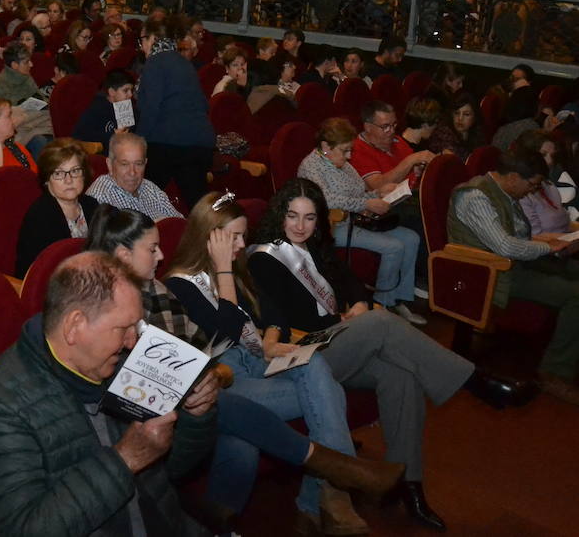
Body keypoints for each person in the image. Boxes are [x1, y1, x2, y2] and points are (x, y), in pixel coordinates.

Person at [248, 179, 516, 530]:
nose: (300, 226)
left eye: (309, 218)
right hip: (299, 355)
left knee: (399, 375)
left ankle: (409, 485)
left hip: (332, 342)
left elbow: (349, 280)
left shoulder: (315, 247)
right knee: (381, 323)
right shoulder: (265, 259)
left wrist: (358, 301)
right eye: (293, 216)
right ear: (279, 215)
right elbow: (279, 322)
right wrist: (345, 319)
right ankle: (474, 380)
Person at [156, 196, 406, 532]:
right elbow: (226, 327)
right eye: (234, 237)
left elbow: (273, 312)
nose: (243, 244)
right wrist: (225, 271)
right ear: (210, 238)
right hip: (226, 377)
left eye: (244, 236)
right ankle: (330, 494)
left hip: (255, 357)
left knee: (316, 368)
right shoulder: (179, 284)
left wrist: (271, 338)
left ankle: (329, 493)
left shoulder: (236, 269)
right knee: (326, 391)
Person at [0, 251, 219, 537]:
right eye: (122, 328)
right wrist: (125, 460)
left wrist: (196, 416)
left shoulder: (124, 363)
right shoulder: (2, 405)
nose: (132, 341)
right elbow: (24, 529)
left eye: (135, 326)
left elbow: (173, 469)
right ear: (75, 326)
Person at [448, 149, 579, 403]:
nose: (532, 191)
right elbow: (505, 246)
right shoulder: (475, 196)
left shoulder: (504, 192)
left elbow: (516, 237)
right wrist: (548, 247)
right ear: (514, 177)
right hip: (492, 272)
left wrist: (552, 242)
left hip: (517, 262)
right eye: (531, 185)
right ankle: (554, 372)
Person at [298, 118, 425, 324]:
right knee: (393, 246)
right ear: (325, 147)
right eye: (345, 151)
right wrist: (366, 203)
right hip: (331, 225)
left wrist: (378, 193)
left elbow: (360, 192)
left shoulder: (343, 164)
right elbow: (325, 199)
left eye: (350, 150)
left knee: (411, 238)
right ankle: (382, 306)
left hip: (356, 220)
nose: (349, 156)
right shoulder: (311, 166)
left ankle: (398, 299)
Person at [134, 18, 214, 209]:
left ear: (153, 38)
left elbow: (150, 108)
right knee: (198, 208)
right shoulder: (184, 62)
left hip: (169, 143)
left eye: (142, 40)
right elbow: (203, 104)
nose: (141, 46)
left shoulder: (155, 62)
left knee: (143, 201)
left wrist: (136, 143)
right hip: (199, 142)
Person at [14, 139, 98, 276]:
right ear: (47, 180)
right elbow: (46, 273)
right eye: (58, 174)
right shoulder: (40, 217)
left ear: (84, 174)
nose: (69, 180)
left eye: (75, 171)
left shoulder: (91, 205)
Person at [84, 130, 181, 222]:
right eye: (124, 164)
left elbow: (181, 224)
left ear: (145, 163)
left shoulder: (149, 187)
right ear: (110, 165)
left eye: (138, 164)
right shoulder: (100, 198)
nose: (132, 172)